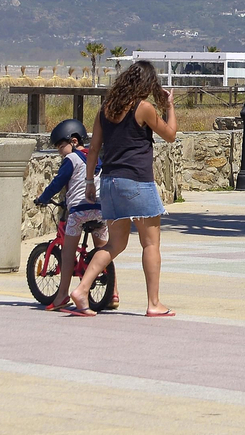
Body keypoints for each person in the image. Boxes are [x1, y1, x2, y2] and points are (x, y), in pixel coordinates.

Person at [68, 60, 177, 318]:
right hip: (137, 182)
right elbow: (170, 134)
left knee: (114, 244)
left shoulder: (105, 109)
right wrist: (170, 106)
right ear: (147, 84)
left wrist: (89, 182)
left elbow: (94, 149)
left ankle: (82, 289)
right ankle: (154, 303)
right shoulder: (144, 108)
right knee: (150, 244)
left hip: (109, 182)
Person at [33, 118, 116, 312]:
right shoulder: (96, 158)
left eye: (61, 146)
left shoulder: (71, 159)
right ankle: (113, 293)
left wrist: (43, 198)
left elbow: (57, 183)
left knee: (67, 252)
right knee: (103, 251)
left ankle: (62, 295)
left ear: (74, 141)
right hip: (101, 211)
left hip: (80, 211)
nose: (60, 152)